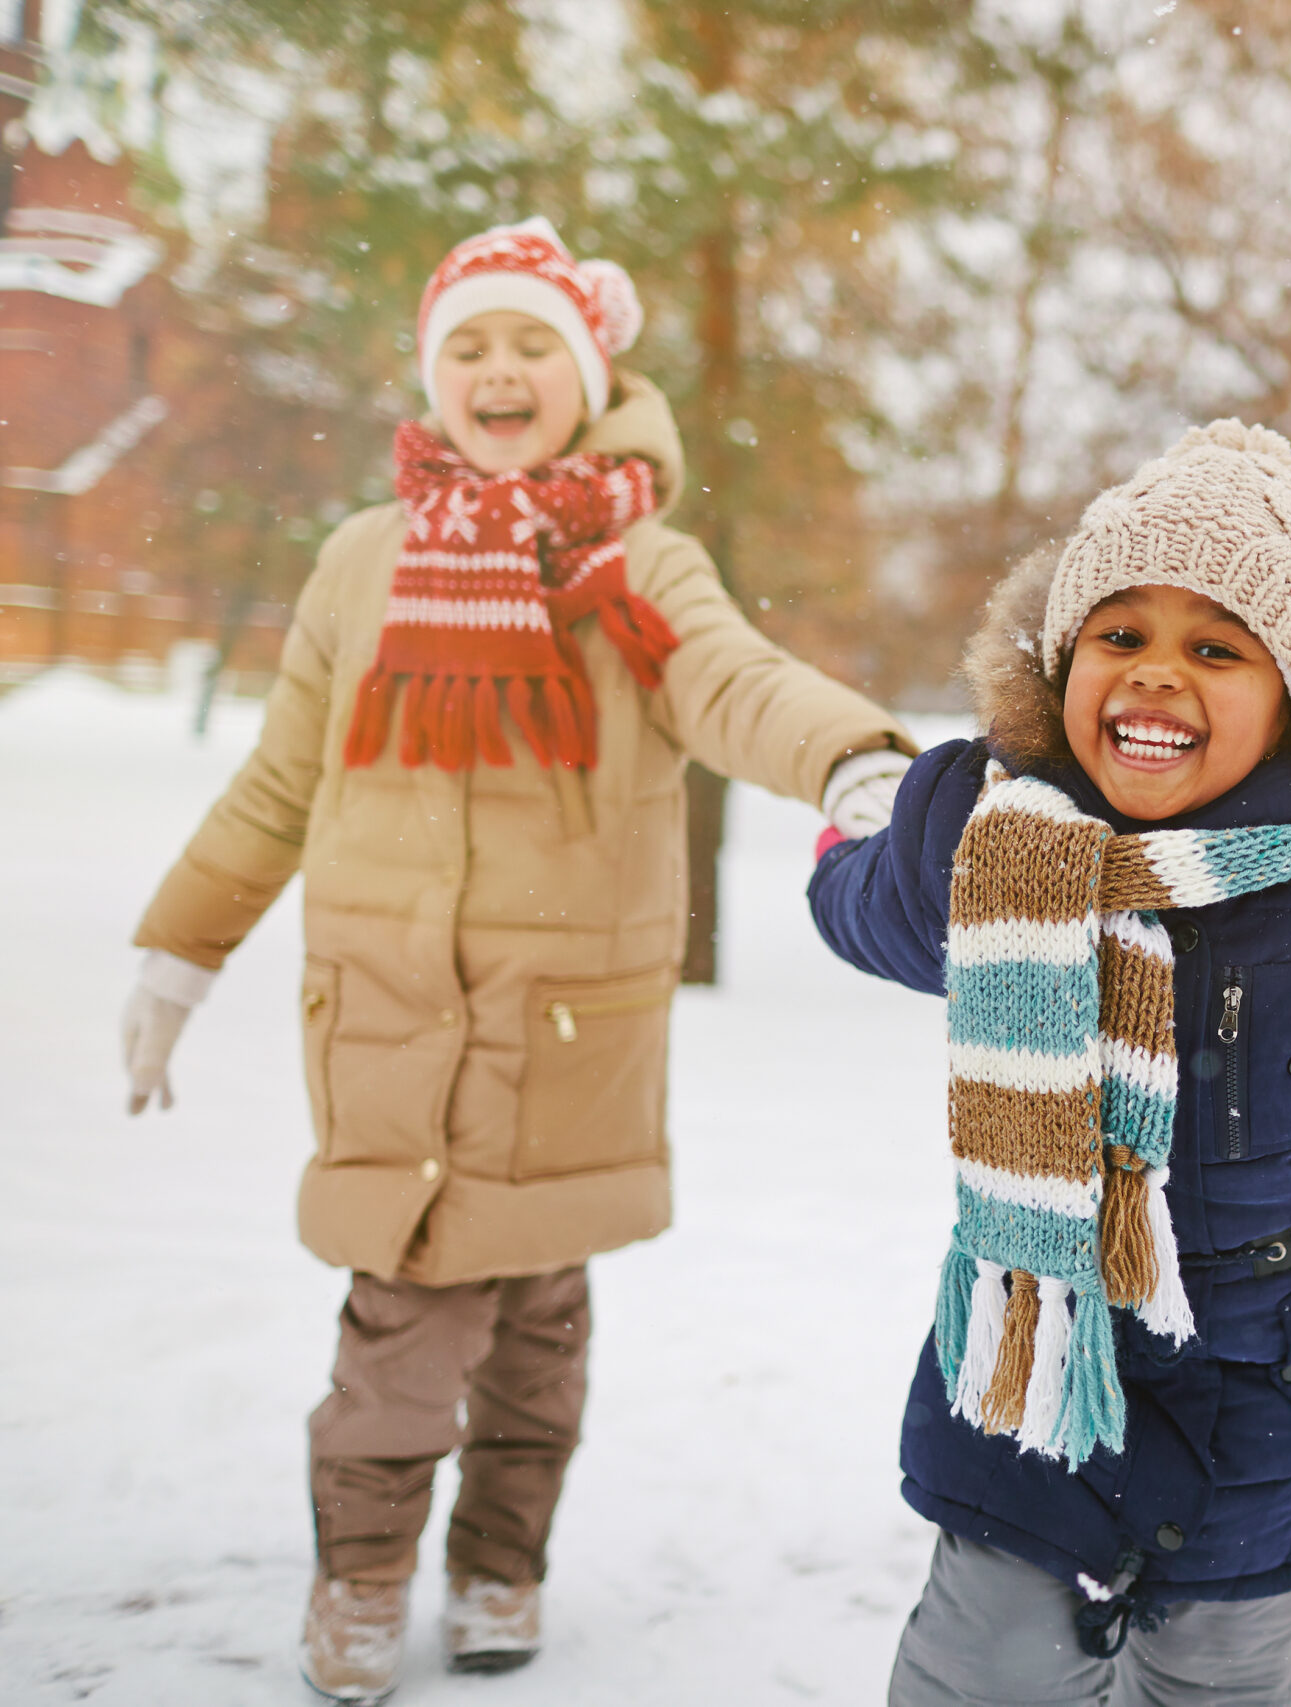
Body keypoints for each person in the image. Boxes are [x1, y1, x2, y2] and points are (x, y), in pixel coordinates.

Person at [119, 217, 915, 1703]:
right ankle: (360, 1575)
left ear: (588, 371)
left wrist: (855, 761)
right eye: (467, 346)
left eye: (531, 343)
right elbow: (280, 788)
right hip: (391, 1028)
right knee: (402, 1346)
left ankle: (502, 1560)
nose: (499, 369)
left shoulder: (635, 565)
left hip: (566, 1037)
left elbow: (734, 681)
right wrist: (178, 953)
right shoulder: (364, 564)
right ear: (431, 380)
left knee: (539, 1341)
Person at [806, 419, 1291, 1707]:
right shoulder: (986, 825)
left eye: (1214, 648)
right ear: (1062, 659)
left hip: (1273, 1398)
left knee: (1219, 1678)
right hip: (1040, 1364)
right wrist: (847, 862)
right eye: (1119, 636)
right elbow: (880, 916)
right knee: (980, 1673)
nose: (1156, 677)